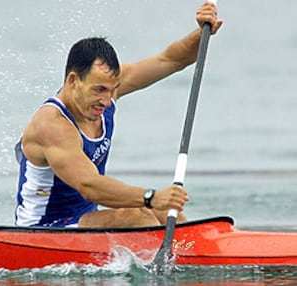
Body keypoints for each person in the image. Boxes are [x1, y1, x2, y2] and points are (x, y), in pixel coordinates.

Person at [15, 2, 223, 228]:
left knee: (165, 213)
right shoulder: (51, 125)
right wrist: (151, 197)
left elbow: (170, 60)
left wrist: (202, 32)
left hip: (84, 220)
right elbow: (89, 186)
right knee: (138, 215)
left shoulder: (106, 84)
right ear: (73, 81)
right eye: (99, 90)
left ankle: (194, 253)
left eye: (113, 90)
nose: (107, 100)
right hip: (44, 228)